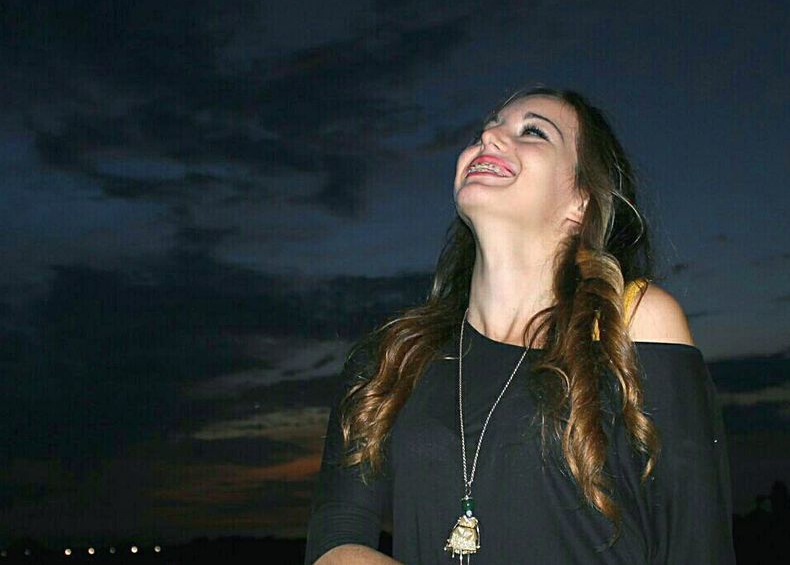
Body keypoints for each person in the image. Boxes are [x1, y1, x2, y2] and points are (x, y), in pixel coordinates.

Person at [304, 87, 735, 564]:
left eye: (532, 132)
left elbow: (697, 544)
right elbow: (336, 542)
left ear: (580, 201)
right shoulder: (392, 356)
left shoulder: (632, 322)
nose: (488, 136)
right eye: (484, 129)